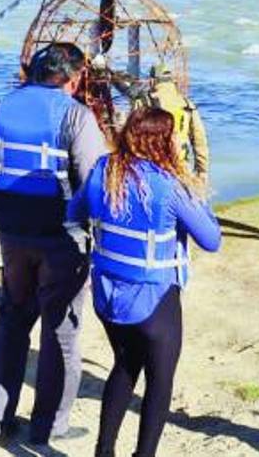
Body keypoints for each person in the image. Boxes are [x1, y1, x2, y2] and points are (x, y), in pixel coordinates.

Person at [0, 42, 109, 445]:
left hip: (13, 234)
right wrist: (92, 229)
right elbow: (94, 181)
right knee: (60, 329)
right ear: (71, 77)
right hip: (61, 239)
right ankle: (48, 427)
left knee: (12, 319)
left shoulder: (0, 109)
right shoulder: (76, 116)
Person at [68, 106, 221, 457]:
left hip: (108, 295)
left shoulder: (103, 171)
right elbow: (212, 240)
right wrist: (198, 195)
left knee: (124, 365)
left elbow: (73, 214)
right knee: (159, 380)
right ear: (166, 143)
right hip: (155, 299)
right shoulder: (169, 186)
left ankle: (103, 451)